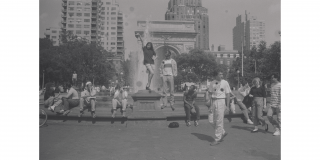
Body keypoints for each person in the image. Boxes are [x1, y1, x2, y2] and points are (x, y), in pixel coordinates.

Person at [208, 70, 230, 146]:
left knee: (219, 120)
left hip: (221, 101)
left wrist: (227, 106)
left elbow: (228, 94)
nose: (222, 75)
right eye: (220, 74)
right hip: (213, 101)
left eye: (222, 74)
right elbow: (210, 94)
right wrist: (210, 105)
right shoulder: (212, 83)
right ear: (216, 75)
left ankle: (217, 139)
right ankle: (222, 132)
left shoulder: (225, 82)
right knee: (210, 120)